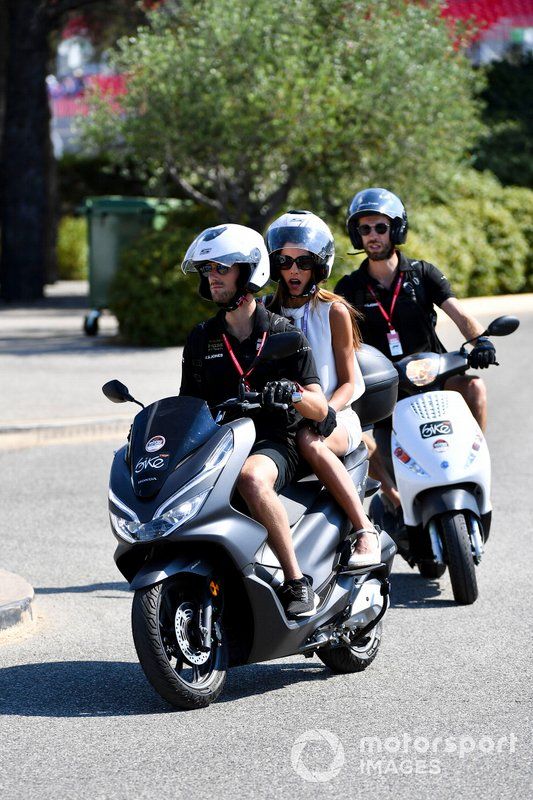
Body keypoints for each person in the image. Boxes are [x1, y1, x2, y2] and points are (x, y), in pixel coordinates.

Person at [179, 223, 330, 618]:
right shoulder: (201, 339)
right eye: (207, 269)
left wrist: (292, 393)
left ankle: (297, 580)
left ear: (248, 273)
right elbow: (187, 405)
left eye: (221, 269)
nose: (211, 277)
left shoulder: (284, 334)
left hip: (273, 442)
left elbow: (321, 407)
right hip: (221, 442)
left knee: (250, 479)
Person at [335, 187, 496, 519]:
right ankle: (392, 496)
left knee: (475, 388)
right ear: (356, 235)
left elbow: (460, 315)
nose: (373, 236)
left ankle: (471, 464)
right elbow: (339, 341)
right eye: (365, 229)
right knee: (360, 435)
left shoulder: (423, 274)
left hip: (435, 375)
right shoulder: (348, 288)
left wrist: (482, 342)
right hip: (384, 388)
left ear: (396, 230)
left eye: (380, 227)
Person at [265, 210, 381, 567]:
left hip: (335, 416)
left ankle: (365, 531)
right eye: (285, 261)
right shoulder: (266, 311)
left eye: (303, 262)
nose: (294, 270)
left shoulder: (333, 312)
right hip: (283, 418)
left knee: (307, 440)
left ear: (318, 265)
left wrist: (325, 411)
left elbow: (349, 381)